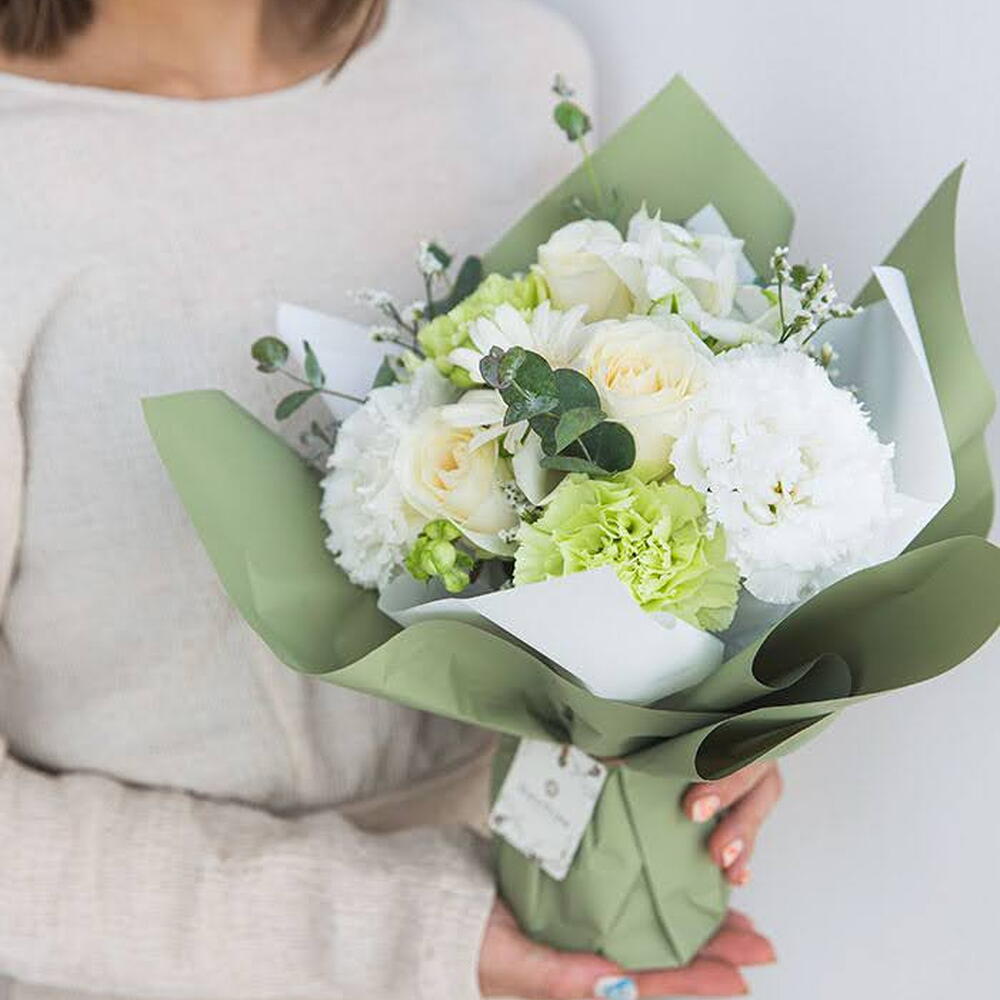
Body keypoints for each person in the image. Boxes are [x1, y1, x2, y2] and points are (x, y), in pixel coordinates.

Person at [0, 1, 783, 997]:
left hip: (550, 934)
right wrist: (419, 934)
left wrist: (689, 730)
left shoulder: (509, 63)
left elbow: (586, 528)